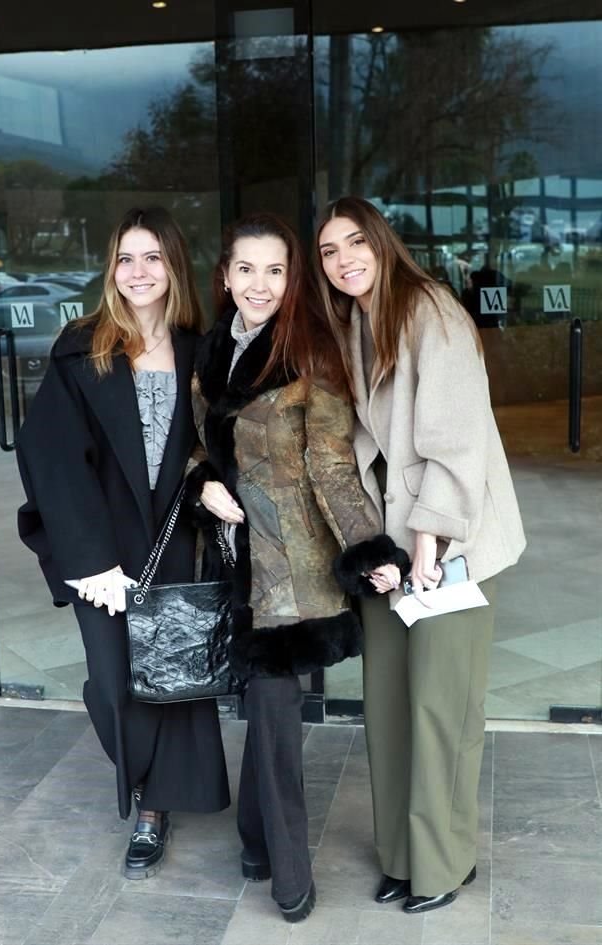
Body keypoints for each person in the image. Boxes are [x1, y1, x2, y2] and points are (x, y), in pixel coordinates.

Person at [182, 212, 405, 922]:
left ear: (293, 278)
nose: (259, 283)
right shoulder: (213, 348)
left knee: (276, 718)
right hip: (231, 559)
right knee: (261, 703)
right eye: (246, 268)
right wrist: (201, 483)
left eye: (275, 270)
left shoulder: (313, 353)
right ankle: (254, 838)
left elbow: (335, 468)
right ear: (225, 275)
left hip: (291, 566)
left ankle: (288, 871)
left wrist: (370, 551)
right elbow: (196, 442)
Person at [313, 196, 526, 914]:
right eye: (328, 251)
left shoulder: (430, 309)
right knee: (391, 707)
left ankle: (444, 862)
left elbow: (457, 436)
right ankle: (403, 855)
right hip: (390, 551)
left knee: (443, 708)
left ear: (380, 240)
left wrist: (427, 541)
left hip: (447, 544)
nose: (343, 260)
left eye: (353, 243)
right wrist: (376, 548)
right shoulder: (353, 324)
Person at [16, 206, 230, 880]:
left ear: (174, 267)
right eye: (126, 258)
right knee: (115, 684)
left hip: (175, 541)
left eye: (153, 257)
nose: (139, 272)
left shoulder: (205, 349)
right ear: (112, 269)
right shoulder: (82, 349)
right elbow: (50, 457)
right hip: (103, 551)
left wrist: (208, 487)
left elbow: (217, 444)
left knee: (175, 680)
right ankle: (143, 783)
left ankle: (152, 807)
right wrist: (87, 558)